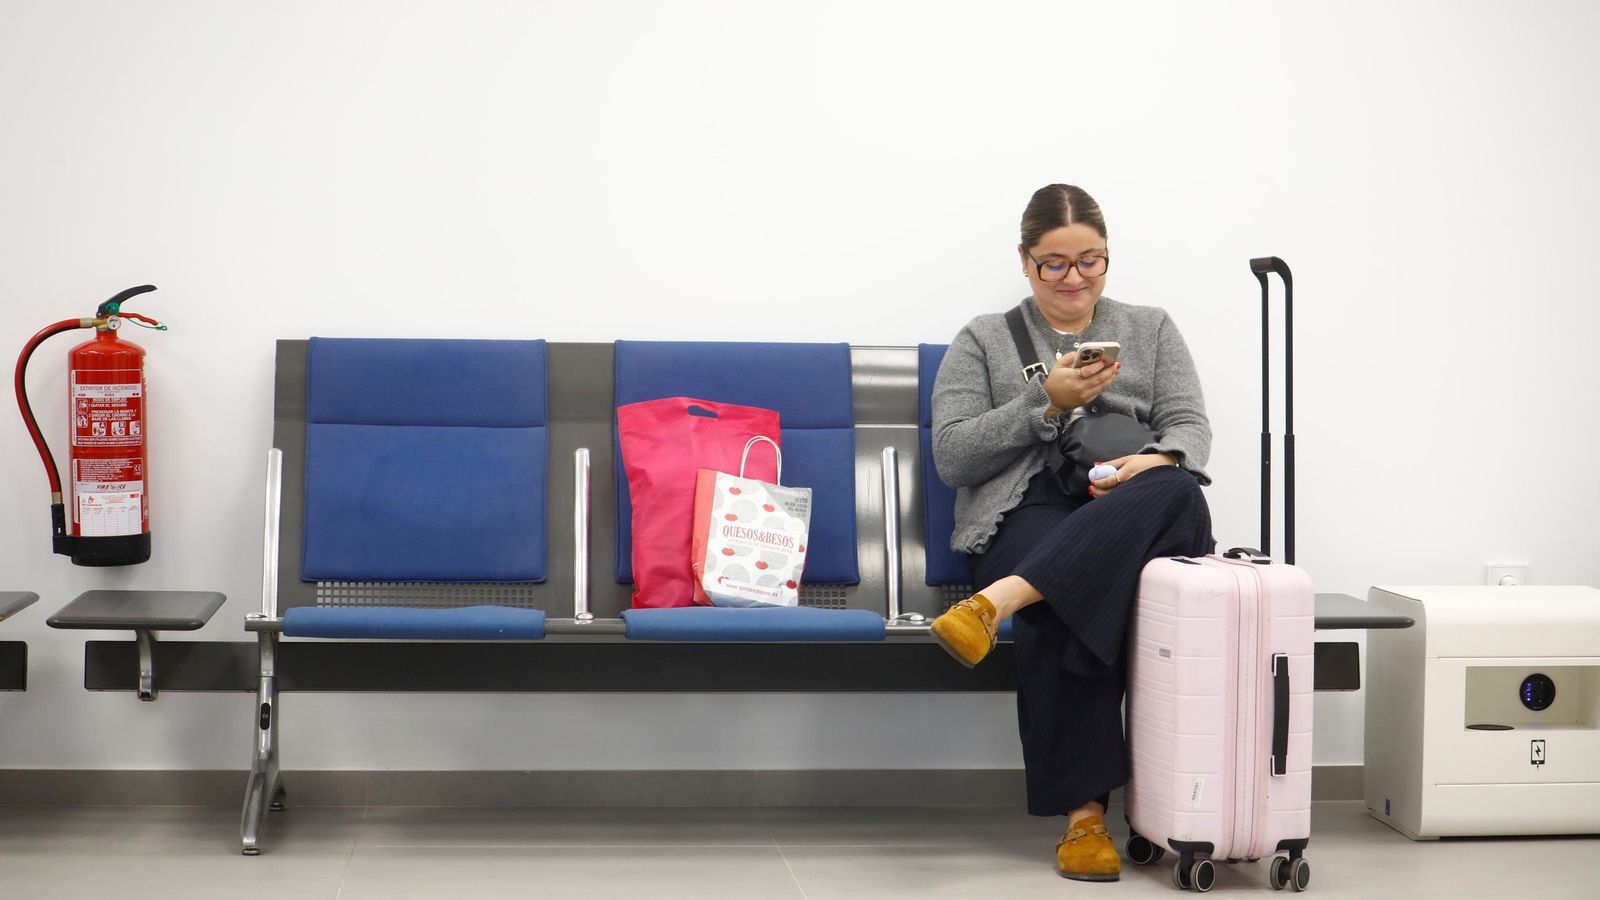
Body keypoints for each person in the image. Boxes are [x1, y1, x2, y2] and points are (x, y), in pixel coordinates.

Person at [927, 183, 1215, 882]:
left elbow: (1190, 427)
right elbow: (954, 455)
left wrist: (1154, 459)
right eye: (1054, 263)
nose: (1074, 278)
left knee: (1177, 487)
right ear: (1026, 263)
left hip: (1130, 503)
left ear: (1108, 258)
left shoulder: (1150, 328)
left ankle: (997, 603)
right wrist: (1042, 403)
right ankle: (1085, 821)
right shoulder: (984, 339)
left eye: (1091, 260)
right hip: (1026, 508)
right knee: (1070, 592)